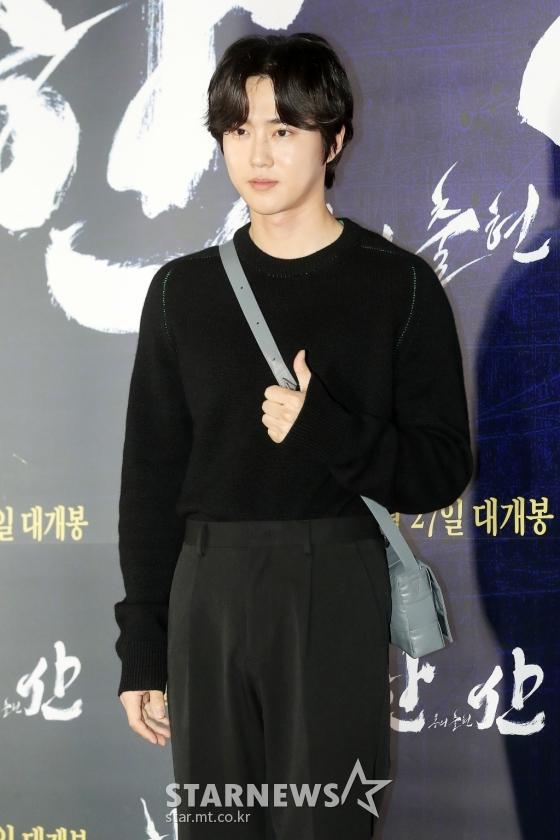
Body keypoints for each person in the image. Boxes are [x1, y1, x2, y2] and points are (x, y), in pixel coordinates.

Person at [114, 32, 474, 838]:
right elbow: (149, 482)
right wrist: (144, 646)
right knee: (216, 825)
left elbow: (441, 468)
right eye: (238, 129)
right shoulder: (181, 293)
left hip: (335, 584)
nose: (257, 154)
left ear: (333, 139)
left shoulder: (399, 286)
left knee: (327, 825)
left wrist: (326, 431)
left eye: (283, 129)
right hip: (207, 589)